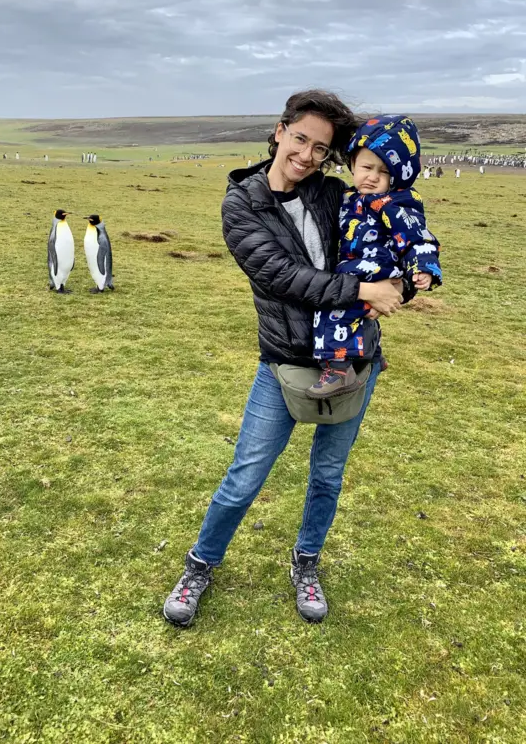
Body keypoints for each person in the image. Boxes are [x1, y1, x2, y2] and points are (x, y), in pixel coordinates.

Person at [162, 90, 408, 628]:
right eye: (300, 139)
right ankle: (200, 565)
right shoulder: (242, 203)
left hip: (354, 360)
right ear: (279, 131)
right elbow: (283, 278)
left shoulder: (332, 194)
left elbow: (390, 243)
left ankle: (306, 562)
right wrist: (366, 292)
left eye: (321, 148)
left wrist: (405, 283)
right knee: (246, 474)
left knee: (327, 475)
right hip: (285, 363)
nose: (307, 155)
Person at [307, 116, 442, 398]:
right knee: (363, 316)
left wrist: (424, 268)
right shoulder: (347, 197)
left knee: (334, 313)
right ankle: (374, 356)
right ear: (353, 165)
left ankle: (338, 369)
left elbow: (418, 236)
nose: (373, 177)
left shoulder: (396, 203)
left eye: (384, 172)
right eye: (367, 167)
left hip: (373, 270)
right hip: (354, 268)